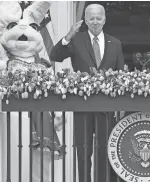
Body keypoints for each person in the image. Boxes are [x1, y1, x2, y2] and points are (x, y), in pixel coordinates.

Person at [50, 4, 124, 182]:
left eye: (99, 18)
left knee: (105, 149)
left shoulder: (115, 43)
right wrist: (68, 36)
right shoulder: (76, 40)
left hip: (107, 106)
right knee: (83, 149)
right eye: (91, 18)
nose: (95, 22)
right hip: (82, 105)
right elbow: (55, 56)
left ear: (105, 19)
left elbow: (121, 74)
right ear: (85, 20)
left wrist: (120, 105)